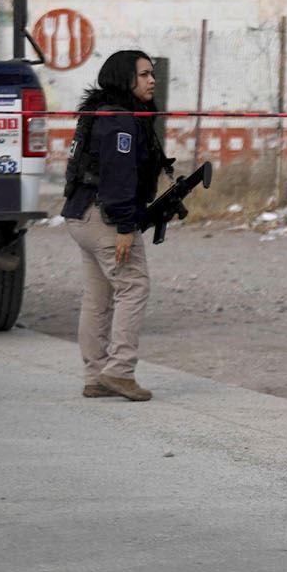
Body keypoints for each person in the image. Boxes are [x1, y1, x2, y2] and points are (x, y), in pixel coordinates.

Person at [62, 50, 170, 402]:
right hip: (105, 218)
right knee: (133, 286)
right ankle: (120, 371)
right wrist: (126, 226)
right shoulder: (120, 120)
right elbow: (119, 177)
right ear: (124, 78)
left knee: (98, 296)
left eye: (152, 73)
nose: (151, 80)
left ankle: (96, 376)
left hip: (81, 215)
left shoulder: (101, 112)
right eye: (142, 75)